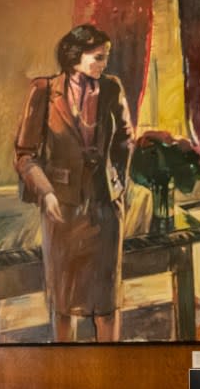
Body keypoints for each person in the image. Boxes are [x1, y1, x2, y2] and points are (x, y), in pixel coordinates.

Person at [14, 24, 135, 342]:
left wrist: (117, 182)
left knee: (106, 303)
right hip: (62, 211)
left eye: (106, 57)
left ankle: (109, 369)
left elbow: (125, 140)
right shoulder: (43, 91)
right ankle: (65, 367)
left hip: (104, 211)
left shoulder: (111, 88)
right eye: (98, 57)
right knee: (64, 304)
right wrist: (46, 193)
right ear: (74, 57)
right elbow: (25, 155)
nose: (104, 64)